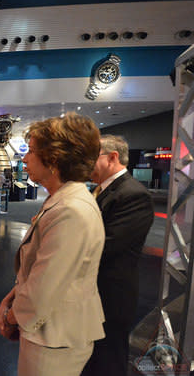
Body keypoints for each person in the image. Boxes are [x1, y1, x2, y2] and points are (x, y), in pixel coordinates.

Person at [0, 113, 106, 376]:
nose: (24, 159)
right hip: (49, 333)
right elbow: (38, 271)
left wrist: (10, 320)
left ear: (53, 159)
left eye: (31, 152)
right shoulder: (64, 201)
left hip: (54, 339)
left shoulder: (70, 211)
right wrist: (9, 299)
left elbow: (42, 289)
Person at [82, 135, 154, 376]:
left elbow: (108, 245)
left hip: (111, 296)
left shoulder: (133, 194)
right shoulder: (102, 190)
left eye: (91, 158)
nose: (86, 165)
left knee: (108, 360)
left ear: (113, 157)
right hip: (94, 292)